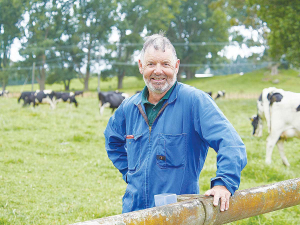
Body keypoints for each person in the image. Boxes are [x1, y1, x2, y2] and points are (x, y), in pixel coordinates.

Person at [104, 33, 247, 214]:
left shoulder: (195, 101)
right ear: (141, 66)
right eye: (151, 64)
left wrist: (224, 183)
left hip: (179, 214)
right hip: (134, 212)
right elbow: (112, 140)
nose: (158, 71)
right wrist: (130, 174)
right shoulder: (129, 107)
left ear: (177, 66)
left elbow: (231, 142)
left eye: (165, 64)